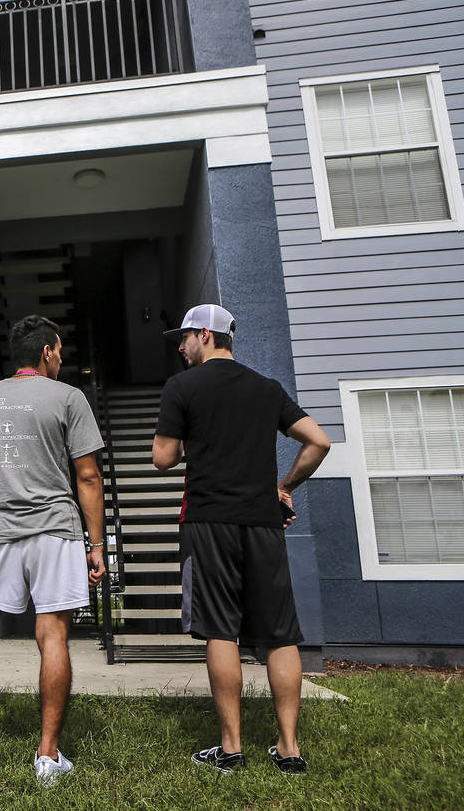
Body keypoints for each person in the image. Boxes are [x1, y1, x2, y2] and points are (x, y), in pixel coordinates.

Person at [152, 304, 331, 775]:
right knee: (279, 634)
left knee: (219, 629)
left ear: (206, 335)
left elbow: (162, 458)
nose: (180, 346)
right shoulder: (266, 388)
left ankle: (231, 748)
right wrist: (285, 487)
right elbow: (319, 442)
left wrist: (196, 435)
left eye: (185, 337)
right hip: (262, 522)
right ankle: (289, 749)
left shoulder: (181, 387)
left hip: (208, 520)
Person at [0, 314, 107, 786]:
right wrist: (96, 544)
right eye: (59, 351)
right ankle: (47, 756)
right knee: (52, 636)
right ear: (46, 352)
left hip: (0, 530)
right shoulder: (68, 398)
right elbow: (88, 476)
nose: (61, 358)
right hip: (54, 530)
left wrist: (0, 452)